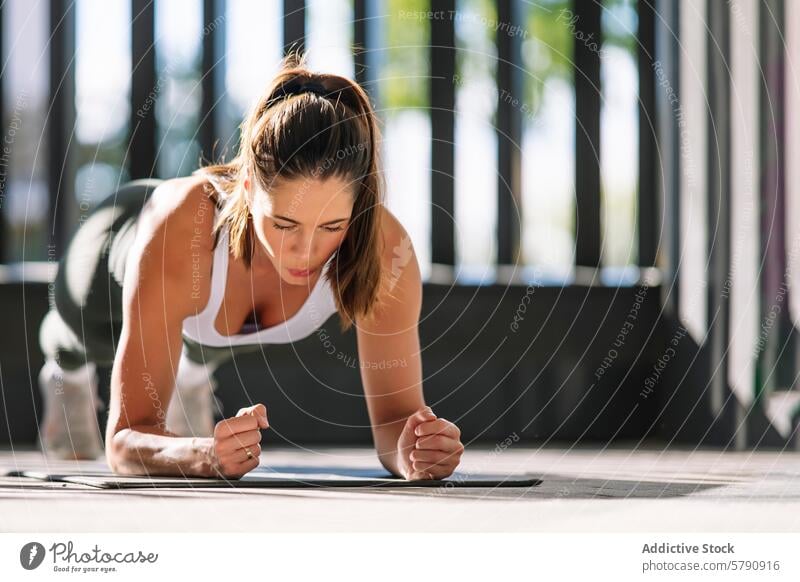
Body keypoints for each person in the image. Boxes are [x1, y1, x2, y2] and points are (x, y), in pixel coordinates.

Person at [37, 52, 464, 480]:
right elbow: (126, 439)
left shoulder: (385, 249)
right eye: (284, 223)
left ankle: (191, 374)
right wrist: (203, 455)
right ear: (245, 187)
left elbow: (396, 421)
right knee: (83, 337)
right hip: (112, 248)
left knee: (209, 331)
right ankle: (65, 371)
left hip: (204, 313)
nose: (306, 253)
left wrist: (414, 452)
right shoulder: (179, 232)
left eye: (332, 225)